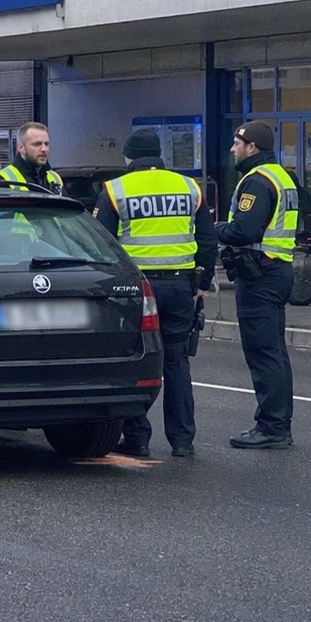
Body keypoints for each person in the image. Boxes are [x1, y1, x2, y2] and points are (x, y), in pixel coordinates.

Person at [95, 129, 217, 458]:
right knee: (176, 362)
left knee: (135, 362)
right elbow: (207, 240)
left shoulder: (116, 189)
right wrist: (203, 284)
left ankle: (138, 438)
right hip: (180, 286)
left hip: (137, 290)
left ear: (128, 156)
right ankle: (182, 441)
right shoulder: (189, 187)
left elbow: (102, 244)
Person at [216, 121, 298, 450]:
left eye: (236, 143)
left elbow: (243, 231)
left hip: (259, 274)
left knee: (263, 352)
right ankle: (279, 423)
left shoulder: (257, 180)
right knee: (275, 351)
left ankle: (272, 427)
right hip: (277, 270)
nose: (232, 149)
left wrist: (214, 227)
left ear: (252, 147)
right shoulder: (281, 176)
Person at [0, 122, 64, 195]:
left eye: (46, 144)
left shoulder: (55, 178)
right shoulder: (3, 178)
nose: (44, 149)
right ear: (21, 148)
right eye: (37, 144)